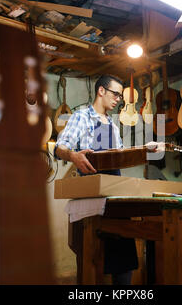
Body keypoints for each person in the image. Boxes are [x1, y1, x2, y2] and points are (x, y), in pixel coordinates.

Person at [55, 74, 137, 284]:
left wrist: (143, 152)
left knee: (124, 258)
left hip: (115, 193)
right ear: (101, 91)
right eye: (116, 93)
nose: (119, 98)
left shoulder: (114, 126)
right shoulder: (81, 117)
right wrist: (73, 155)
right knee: (92, 258)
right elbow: (59, 147)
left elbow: (119, 158)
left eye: (120, 95)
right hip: (91, 194)